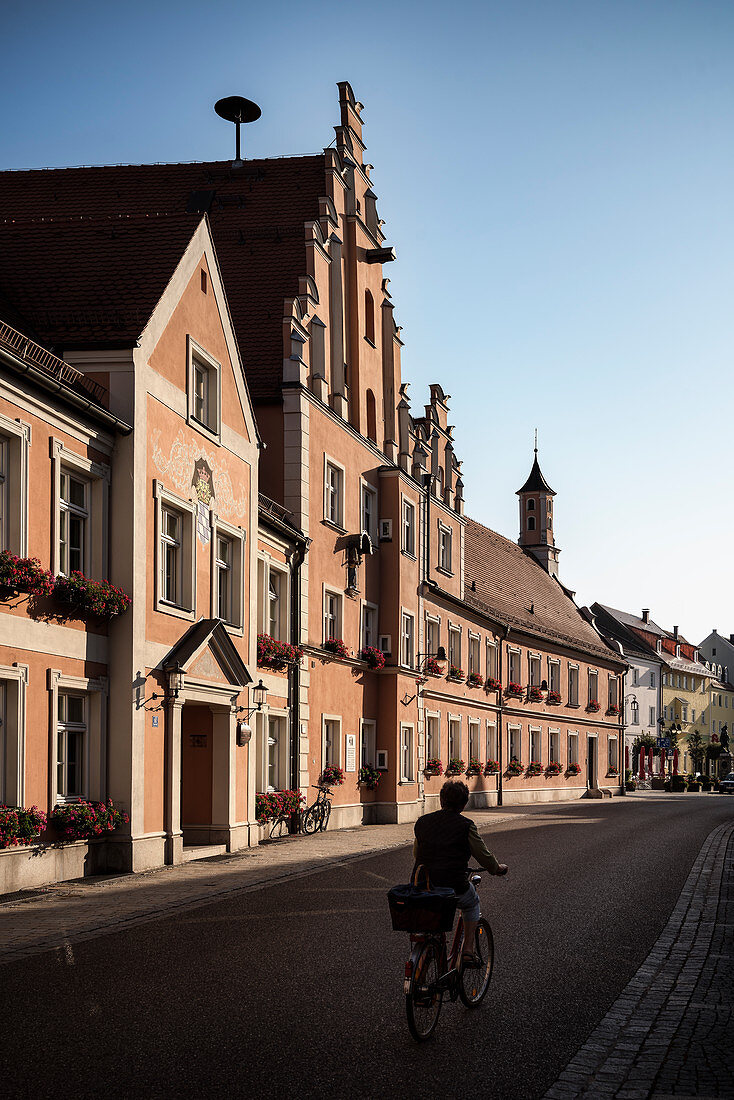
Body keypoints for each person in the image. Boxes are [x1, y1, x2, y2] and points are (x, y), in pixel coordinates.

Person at [413, 779, 508, 968]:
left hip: (423, 883)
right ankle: (467, 951)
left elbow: (417, 854)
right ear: (464, 804)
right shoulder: (466, 825)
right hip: (453, 885)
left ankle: (420, 966)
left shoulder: (422, 822)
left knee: (429, 916)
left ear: (441, 800)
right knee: (472, 903)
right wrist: (496, 869)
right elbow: (482, 854)